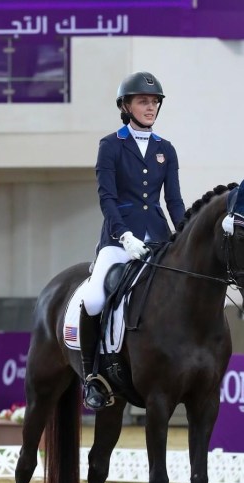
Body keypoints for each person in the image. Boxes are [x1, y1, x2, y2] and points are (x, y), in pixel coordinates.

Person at [80, 71, 186, 411]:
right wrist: (123, 235)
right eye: (143, 101)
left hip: (157, 238)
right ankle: (92, 376)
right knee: (95, 299)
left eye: (154, 102)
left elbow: (174, 201)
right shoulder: (111, 146)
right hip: (117, 239)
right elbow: (107, 197)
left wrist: (183, 235)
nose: (150, 106)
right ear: (126, 106)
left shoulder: (165, 150)